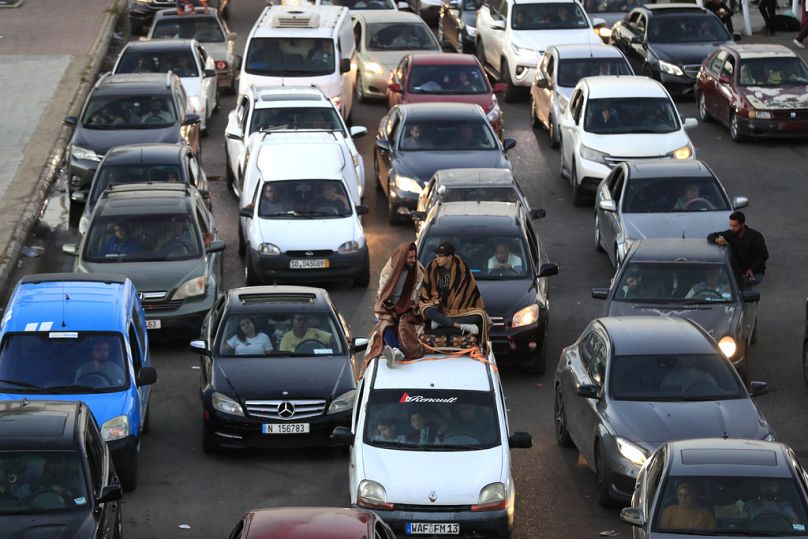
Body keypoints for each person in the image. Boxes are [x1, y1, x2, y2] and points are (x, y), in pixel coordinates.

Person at [365, 242, 425, 370]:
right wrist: (390, 308)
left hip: (409, 308)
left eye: (415, 257)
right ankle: (396, 349)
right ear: (403, 257)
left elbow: (419, 295)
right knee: (385, 324)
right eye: (410, 257)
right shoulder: (388, 271)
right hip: (389, 308)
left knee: (405, 324)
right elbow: (382, 295)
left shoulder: (418, 271)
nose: (413, 260)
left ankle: (399, 350)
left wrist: (409, 306)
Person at [419, 241, 488, 339]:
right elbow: (429, 293)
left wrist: (446, 314)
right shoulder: (432, 267)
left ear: (450, 257)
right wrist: (441, 307)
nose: (437, 258)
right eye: (436, 256)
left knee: (479, 315)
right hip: (438, 309)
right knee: (427, 310)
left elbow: (467, 292)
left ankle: (440, 322)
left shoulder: (462, 268)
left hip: (457, 310)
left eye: (440, 256)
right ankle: (459, 326)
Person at [708, 211, 768, 286]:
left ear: (742, 225)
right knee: (716, 279)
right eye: (730, 225)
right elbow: (711, 235)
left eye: (735, 226)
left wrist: (752, 269)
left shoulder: (755, 237)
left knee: (734, 283)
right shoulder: (730, 233)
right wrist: (716, 239)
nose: (732, 228)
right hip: (737, 271)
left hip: (755, 273)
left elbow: (764, 255)